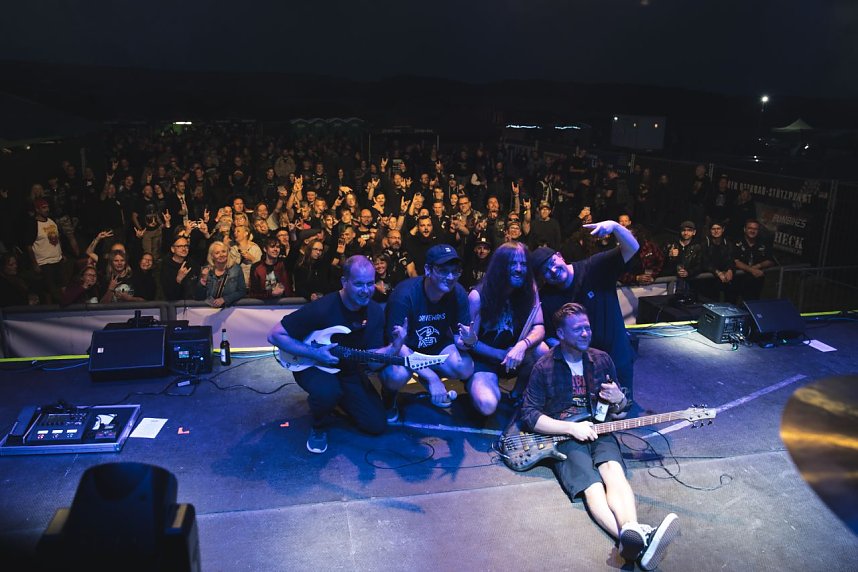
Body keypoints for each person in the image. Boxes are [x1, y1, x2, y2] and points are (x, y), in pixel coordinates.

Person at [515, 303, 679, 570]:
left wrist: (620, 400)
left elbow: (618, 409)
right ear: (561, 333)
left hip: (599, 429)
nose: (585, 333)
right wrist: (570, 428)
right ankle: (634, 538)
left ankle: (631, 533)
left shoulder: (602, 359)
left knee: (613, 471)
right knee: (592, 485)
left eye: (587, 327)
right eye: (577, 329)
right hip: (563, 436)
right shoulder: (544, 367)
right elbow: (530, 416)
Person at [267, 255, 406, 454]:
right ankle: (319, 426)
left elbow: (374, 363)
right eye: (359, 284)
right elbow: (275, 335)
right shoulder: (322, 308)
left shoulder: (375, 312)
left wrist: (394, 347)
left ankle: (338, 402)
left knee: (376, 425)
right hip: (312, 366)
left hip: (347, 369)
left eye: (370, 283)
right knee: (327, 392)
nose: (366, 291)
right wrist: (315, 353)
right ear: (344, 282)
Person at [531, 219, 640, 413]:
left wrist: (615, 227)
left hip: (615, 353)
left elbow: (632, 248)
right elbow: (550, 335)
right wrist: (574, 356)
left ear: (560, 256)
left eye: (552, 263)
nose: (553, 271)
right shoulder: (548, 298)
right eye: (545, 271)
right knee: (588, 415)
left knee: (621, 412)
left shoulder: (594, 267)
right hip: (583, 364)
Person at [383, 244, 475, 417]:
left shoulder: (458, 292)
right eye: (443, 270)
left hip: (434, 346)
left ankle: (428, 379)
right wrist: (432, 378)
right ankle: (389, 396)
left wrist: (469, 341)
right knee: (396, 376)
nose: (450, 277)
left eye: (455, 271)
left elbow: (459, 338)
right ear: (427, 270)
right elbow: (396, 344)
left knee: (466, 367)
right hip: (405, 348)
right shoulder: (404, 295)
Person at [459, 242, 545, 415]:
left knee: (542, 350)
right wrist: (499, 354)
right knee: (487, 405)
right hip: (485, 359)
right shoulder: (478, 296)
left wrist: (522, 346)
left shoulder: (530, 289)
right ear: (500, 266)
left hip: (514, 355)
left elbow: (539, 327)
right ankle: (475, 385)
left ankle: (517, 393)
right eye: (513, 264)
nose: (519, 269)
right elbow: (469, 342)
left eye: (523, 264)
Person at [733, 219, 775, 302]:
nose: (752, 231)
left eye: (755, 229)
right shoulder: (736, 242)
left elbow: (770, 260)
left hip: (755, 285)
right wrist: (751, 270)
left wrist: (758, 266)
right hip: (737, 284)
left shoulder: (763, 243)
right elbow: (735, 261)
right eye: (750, 228)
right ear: (745, 229)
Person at [195, 241, 247, 308]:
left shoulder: (236, 269)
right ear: (212, 256)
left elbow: (242, 292)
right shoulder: (206, 270)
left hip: (230, 311)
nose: (221, 255)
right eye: (217, 253)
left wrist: (225, 299)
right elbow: (198, 297)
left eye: (223, 251)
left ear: (228, 253)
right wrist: (203, 280)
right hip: (208, 311)